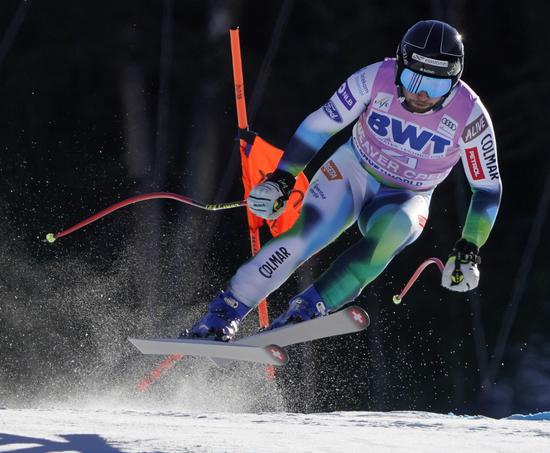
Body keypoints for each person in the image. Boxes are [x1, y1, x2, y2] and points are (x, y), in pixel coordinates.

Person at [184, 19, 502, 341]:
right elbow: (318, 126)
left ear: (454, 81)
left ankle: (306, 310)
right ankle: (223, 314)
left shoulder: (470, 116)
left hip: (408, 195)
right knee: (307, 235)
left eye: (435, 86)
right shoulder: (375, 78)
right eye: (412, 77)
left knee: (392, 236)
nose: (421, 93)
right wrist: (282, 179)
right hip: (353, 170)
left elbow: (487, 189)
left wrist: (469, 247)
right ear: (399, 66)